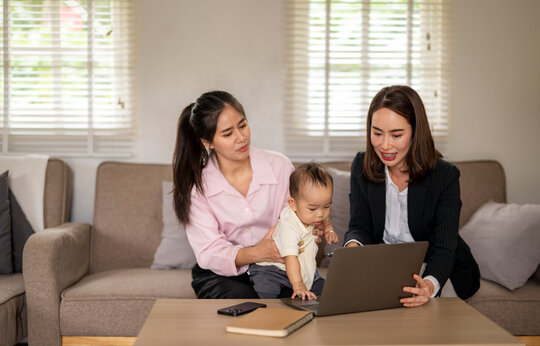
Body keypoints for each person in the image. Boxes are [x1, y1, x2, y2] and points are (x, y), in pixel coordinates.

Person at [344, 85, 480, 307]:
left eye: (396, 135)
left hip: (435, 265)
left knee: (424, 321)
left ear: (416, 132)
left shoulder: (445, 176)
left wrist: (429, 284)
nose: (384, 145)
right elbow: (360, 225)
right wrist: (353, 249)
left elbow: (445, 244)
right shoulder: (361, 164)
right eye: (377, 133)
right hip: (385, 265)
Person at [172, 90, 298, 299]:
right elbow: (210, 252)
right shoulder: (197, 187)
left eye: (243, 125)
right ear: (207, 142)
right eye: (228, 133)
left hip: (275, 265)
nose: (241, 138)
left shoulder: (280, 166)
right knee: (244, 304)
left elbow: (293, 219)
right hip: (220, 275)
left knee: (293, 301)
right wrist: (256, 252)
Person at [249, 163, 339, 299]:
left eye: (326, 206)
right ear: (293, 204)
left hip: (305, 267)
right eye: (313, 209)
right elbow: (290, 258)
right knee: (267, 292)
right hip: (274, 270)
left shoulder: (314, 215)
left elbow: (325, 219)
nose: (321, 214)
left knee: (328, 292)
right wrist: (298, 285)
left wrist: (329, 229)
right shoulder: (288, 226)